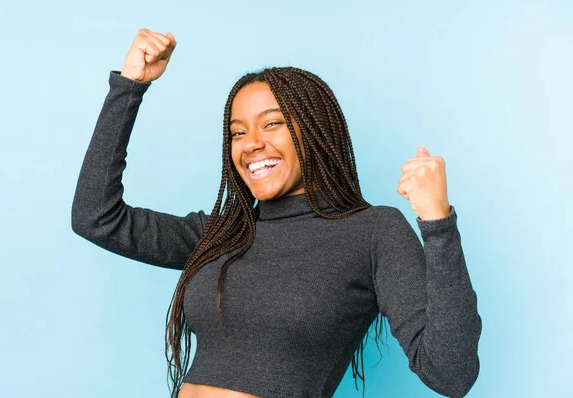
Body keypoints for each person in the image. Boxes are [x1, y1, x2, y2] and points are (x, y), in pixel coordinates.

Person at [71, 28, 482, 398]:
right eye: (237, 131)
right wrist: (128, 88)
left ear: (314, 130)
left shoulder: (372, 233)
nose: (250, 144)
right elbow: (96, 217)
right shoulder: (221, 234)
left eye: (271, 124)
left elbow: (451, 373)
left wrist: (438, 224)